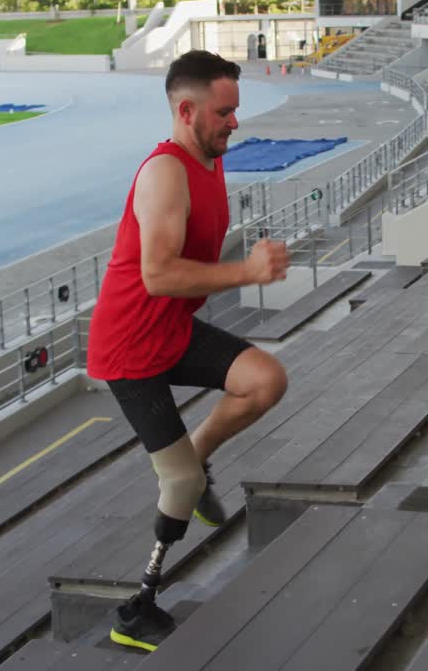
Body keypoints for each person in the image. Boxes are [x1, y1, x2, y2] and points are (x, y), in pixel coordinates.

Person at [85, 50, 290, 652]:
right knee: (175, 486)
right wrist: (246, 272)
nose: (234, 123)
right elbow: (158, 276)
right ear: (186, 110)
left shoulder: (210, 158)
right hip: (129, 348)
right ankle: (137, 609)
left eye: (235, 111)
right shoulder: (165, 173)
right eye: (224, 112)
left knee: (266, 380)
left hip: (171, 330)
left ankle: (199, 458)